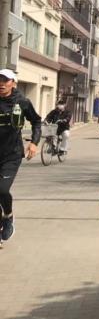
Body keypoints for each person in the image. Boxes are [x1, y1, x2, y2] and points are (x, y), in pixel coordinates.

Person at [0, 69, 41, 248]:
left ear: (13, 83)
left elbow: (37, 121)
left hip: (12, 154)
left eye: (5, 80)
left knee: (1, 190)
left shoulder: (22, 102)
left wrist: (34, 142)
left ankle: (8, 216)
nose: (1, 84)